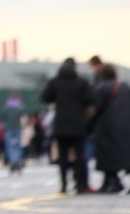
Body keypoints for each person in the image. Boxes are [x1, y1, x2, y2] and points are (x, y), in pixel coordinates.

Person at [41, 58, 94, 194]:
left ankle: (64, 184)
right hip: (77, 123)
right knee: (80, 156)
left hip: (61, 124)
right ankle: (82, 184)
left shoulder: (55, 82)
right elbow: (90, 99)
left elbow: (45, 97)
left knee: (62, 157)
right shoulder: (81, 81)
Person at [90, 64, 130, 193]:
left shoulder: (101, 87)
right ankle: (115, 181)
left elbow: (95, 107)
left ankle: (110, 181)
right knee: (125, 155)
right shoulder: (124, 86)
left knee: (107, 156)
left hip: (107, 126)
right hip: (125, 125)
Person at [1, 93, 27, 174]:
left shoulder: (7, 106)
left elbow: (2, 115)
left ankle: (12, 161)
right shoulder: (18, 106)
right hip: (17, 128)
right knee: (17, 145)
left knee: (9, 146)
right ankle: (18, 160)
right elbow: (24, 112)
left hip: (8, 129)